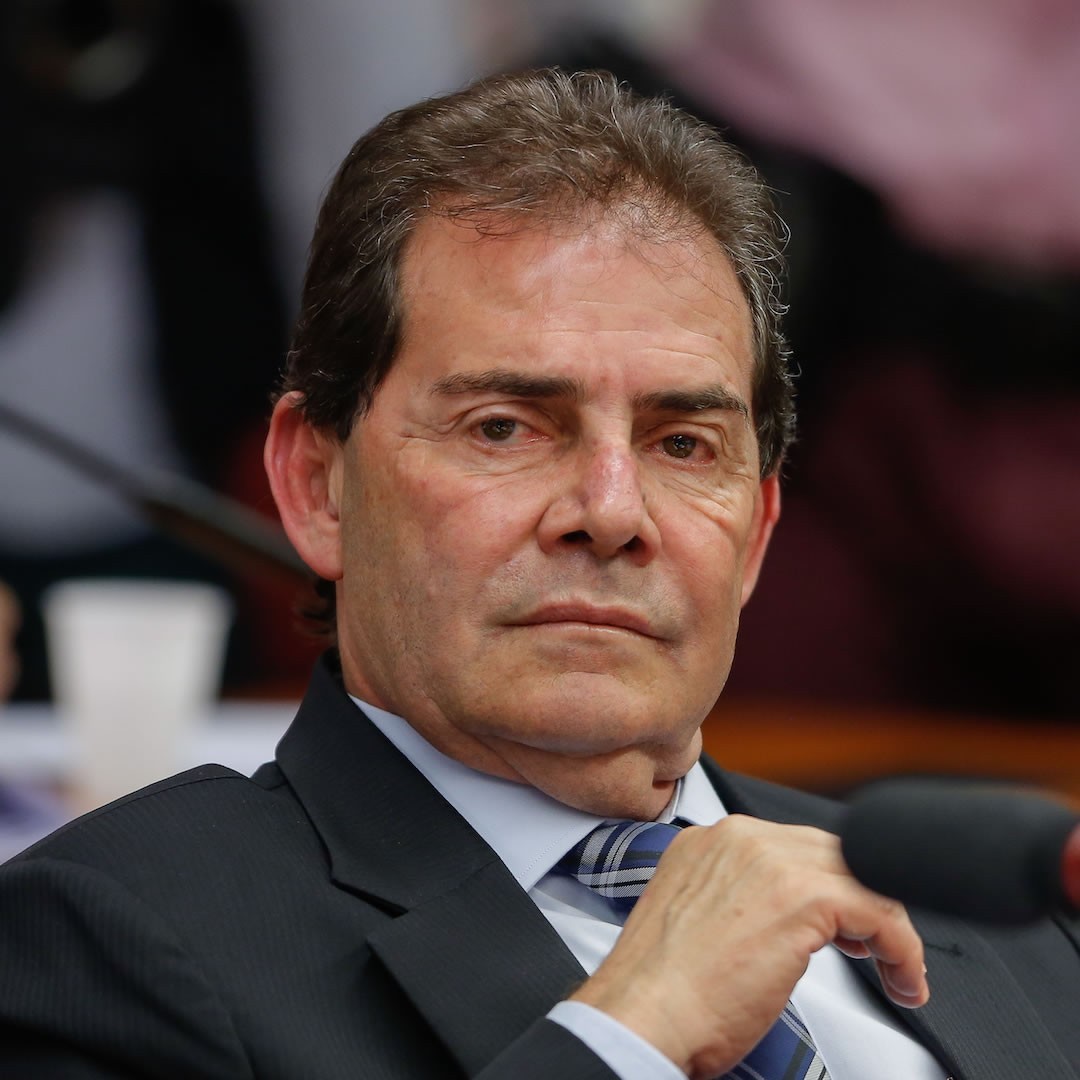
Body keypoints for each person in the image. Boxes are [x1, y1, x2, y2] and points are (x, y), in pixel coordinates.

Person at [1, 69, 1078, 1079]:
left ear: (755, 533)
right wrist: (634, 1034)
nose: (610, 513)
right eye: (505, 426)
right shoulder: (109, 939)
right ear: (318, 487)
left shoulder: (989, 902)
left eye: (683, 444)